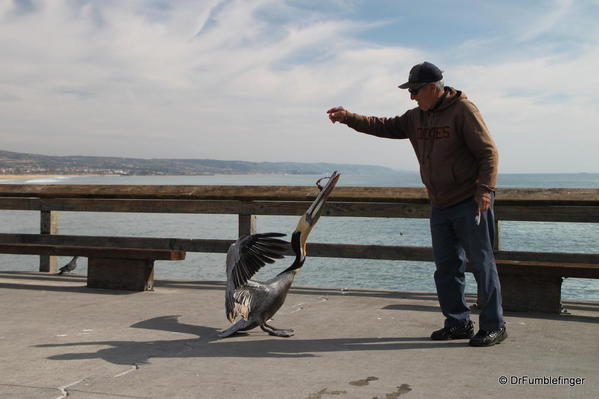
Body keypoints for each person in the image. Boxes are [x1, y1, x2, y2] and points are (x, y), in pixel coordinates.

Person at [327, 61, 506, 347]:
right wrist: (348, 117)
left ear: (434, 88)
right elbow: (382, 125)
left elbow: (488, 152)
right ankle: (458, 323)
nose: (411, 96)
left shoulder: (464, 111)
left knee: (483, 264)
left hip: (469, 202)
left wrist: (485, 190)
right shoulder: (415, 117)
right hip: (440, 204)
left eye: (415, 91)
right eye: (410, 91)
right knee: (446, 267)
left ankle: (494, 325)